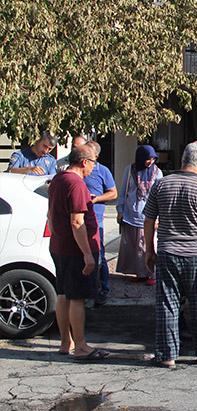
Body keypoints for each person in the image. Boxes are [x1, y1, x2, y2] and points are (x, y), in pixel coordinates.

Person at [143, 143, 197, 368]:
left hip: (168, 253)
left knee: (167, 305)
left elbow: (148, 221)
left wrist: (149, 250)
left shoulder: (160, 185)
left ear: (182, 160)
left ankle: (168, 356)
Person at [47, 145, 109, 360]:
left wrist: (57, 236)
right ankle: (81, 345)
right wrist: (87, 254)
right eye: (93, 163)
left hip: (59, 246)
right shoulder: (76, 184)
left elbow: (50, 214)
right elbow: (77, 221)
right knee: (77, 297)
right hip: (75, 250)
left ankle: (66, 342)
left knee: (63, 294)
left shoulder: (58, 179)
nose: (94, 167)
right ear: (84, 162)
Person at [116, 145, 162, 285]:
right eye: (147, 159)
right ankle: (138, 273)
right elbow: (124, 190)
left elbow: (160, 195)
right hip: (131, 214)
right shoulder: (130, 170)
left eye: (152, 158)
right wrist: (120, 210)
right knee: (132, 245)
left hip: (149, 215)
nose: (150, 162)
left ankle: (150, 274)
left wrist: (159, 216)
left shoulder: (157, 172)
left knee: (147, 245)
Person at [82, 141, 117, 305]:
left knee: (99, 255)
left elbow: (113, 193)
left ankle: (103, 288)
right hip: (78, 220)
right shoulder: (77, 170)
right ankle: (84, 290)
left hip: (96, 220)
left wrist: (97, 198)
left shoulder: (103, 171)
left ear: (95, 155)